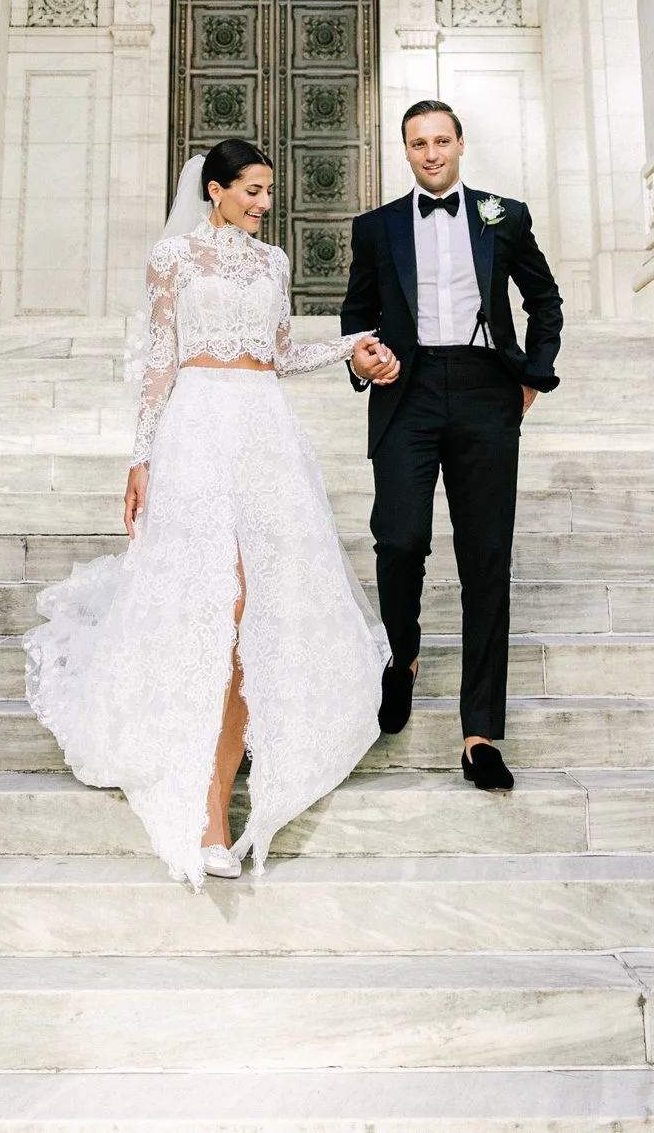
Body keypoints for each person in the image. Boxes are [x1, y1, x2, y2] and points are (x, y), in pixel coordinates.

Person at [24, 137, 397, 886]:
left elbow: (282, 353)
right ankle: (206, 809)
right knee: (216, 598)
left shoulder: (273, 263)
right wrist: (141, 457)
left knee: (254, 601)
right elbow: (161, 360)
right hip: (195, 426)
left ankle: (228, 774)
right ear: (216, 191)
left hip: (263, 429)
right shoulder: (173, 260)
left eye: (268, 191)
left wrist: (352, 346)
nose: (264, 204)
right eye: (252, 191)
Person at [341, 100, 564, 791]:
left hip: (481, 387)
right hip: (405, 391)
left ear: (460, 144)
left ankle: (479, 735)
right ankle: (402, 655)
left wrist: (532, 373)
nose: (431, 153)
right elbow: (356, 315)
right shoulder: (375, 228)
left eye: (441, 140)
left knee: (485, 559)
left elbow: (543, 298)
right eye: (417, 143)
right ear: (403, 151)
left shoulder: (505, 214)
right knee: (400, 538)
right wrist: (361, 356)